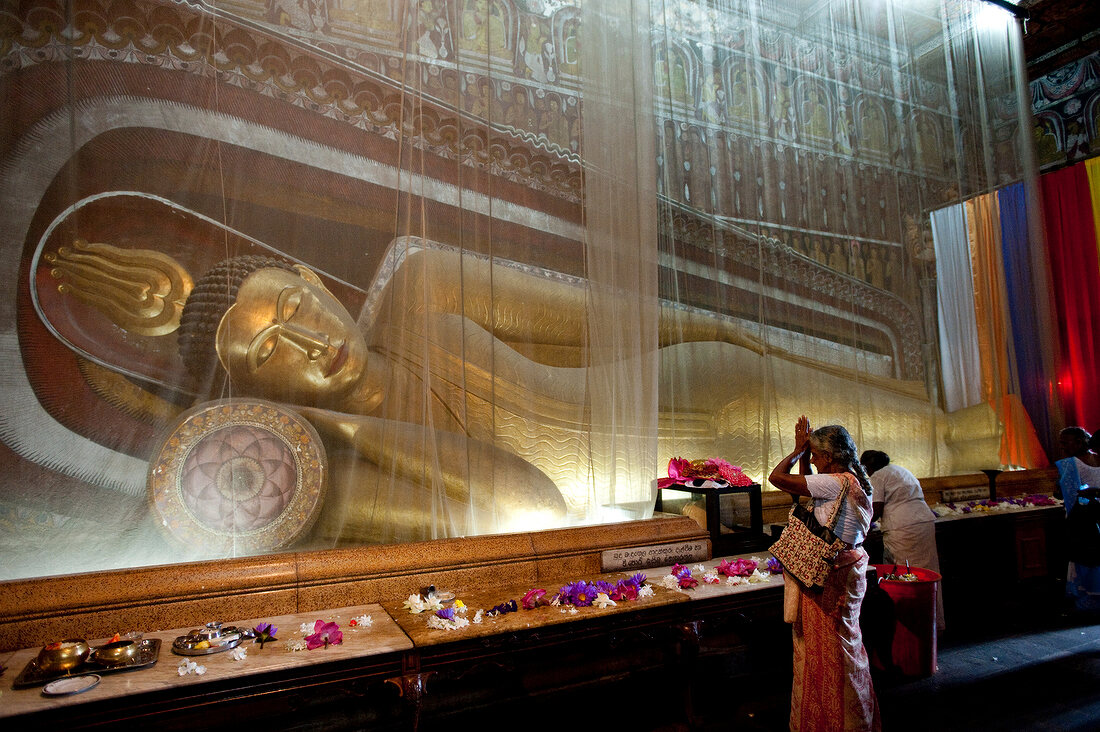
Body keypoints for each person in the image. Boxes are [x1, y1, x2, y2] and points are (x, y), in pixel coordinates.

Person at [769, 416, 880, 731]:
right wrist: (805, 455)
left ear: (829, 458)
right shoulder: (849, 481)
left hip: (830, 577)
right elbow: (808, 495)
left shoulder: (835, 482)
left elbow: (776, 478)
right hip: (847, 570)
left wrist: (795, 450)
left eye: (817, 456)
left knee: (828, 650)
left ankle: (835, 722)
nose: (814, 462)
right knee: (843, 644)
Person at [860, 449, 944, 630]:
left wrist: (860, 528)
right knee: (927, 573)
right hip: (923, 523)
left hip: (903, 528)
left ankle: (909, 626)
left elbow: (876, 509)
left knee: (904, 574)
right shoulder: (902, 471)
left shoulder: (878, 476)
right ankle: (933, 622)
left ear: (868, 467)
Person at [1055, 426, 1100, 612]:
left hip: (1082, 516)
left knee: (1083, 555)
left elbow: (1061, 493)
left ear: (1079, 442)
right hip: (1097, 515)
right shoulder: (1098, 458)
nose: (1063, 448)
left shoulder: (1070, 463)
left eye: (1066, 443)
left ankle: (1087, 599)